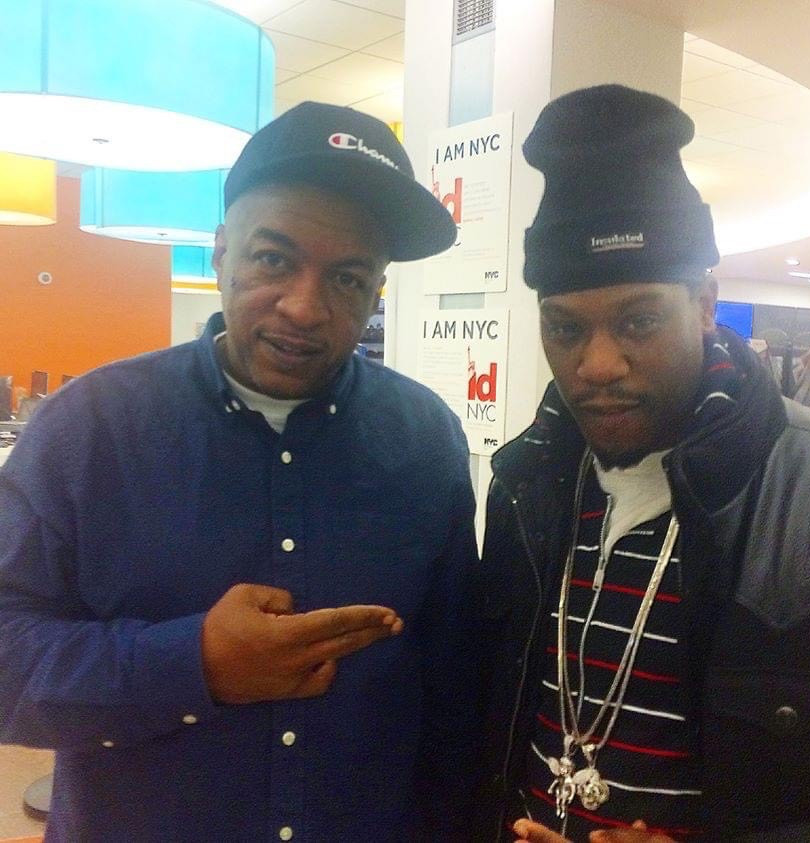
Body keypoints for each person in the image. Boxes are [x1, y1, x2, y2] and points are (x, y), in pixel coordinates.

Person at [0, 102, 480, 841]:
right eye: (273, 259)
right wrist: (191, 665)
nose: (304, 307)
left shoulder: (425, 440)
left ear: (376, 291)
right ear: (222, 251)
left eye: (348, 279)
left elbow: (453, 681)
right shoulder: (87, 429)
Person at [474, 85, 810, 842]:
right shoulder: (528, 482)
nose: (597, 365)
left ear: (704, 303)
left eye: (638, 320)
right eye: (564, 328)